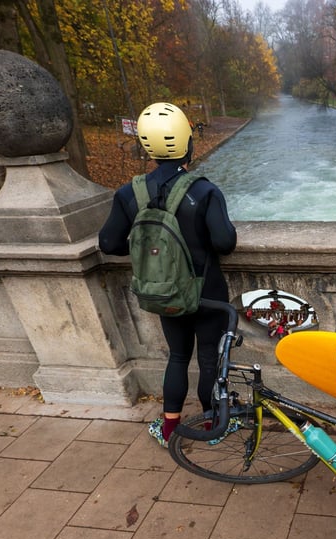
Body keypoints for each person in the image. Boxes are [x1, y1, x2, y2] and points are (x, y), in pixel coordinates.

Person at [99, 101, 237, 446]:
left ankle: (170, 428)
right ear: (188, 143)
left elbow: (108, 243)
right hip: (207, 293)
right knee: (208, 358)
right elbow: (225, 242)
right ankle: (212, 428)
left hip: (162, 292)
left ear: (147, 147)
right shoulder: (204, 190)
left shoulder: (129, 192)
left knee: (177, 356)